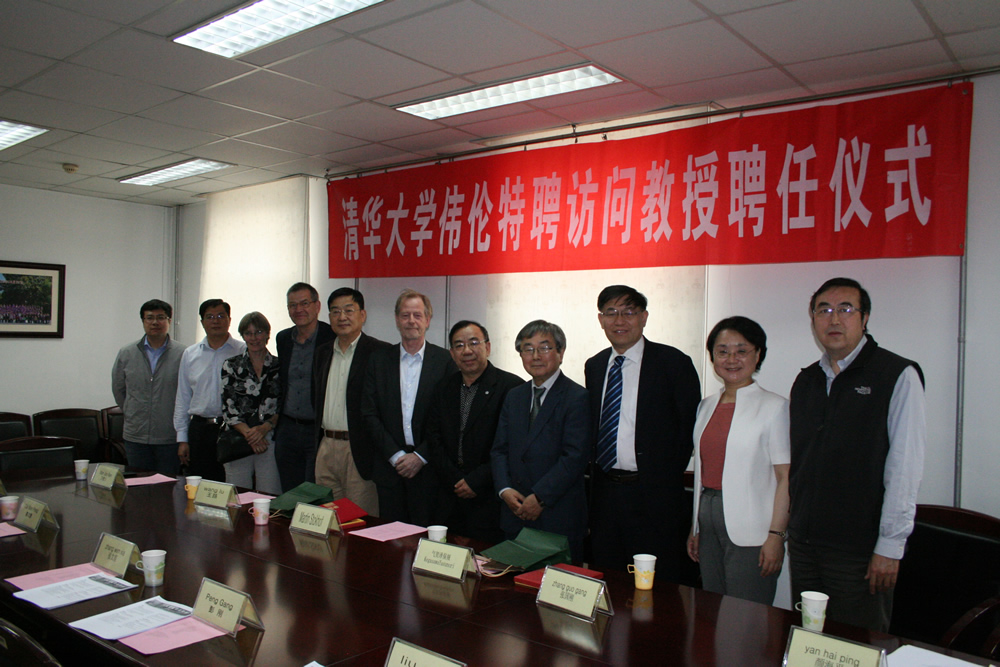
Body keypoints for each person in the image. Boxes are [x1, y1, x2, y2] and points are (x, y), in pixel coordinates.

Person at [789, 277, 926, 632]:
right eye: (824, 310)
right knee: (809, 640)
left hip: (860, 550)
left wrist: (890, 546)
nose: (834, 319)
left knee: (856, 644)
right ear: (813, 319)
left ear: (865, 318)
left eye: (846, 309)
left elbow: (905, 467)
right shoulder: (806, 381)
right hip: (805, 545)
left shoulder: (896, 375)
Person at [584, 285, 701, 579]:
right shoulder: (595, 366)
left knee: (657, 583)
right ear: (600, 319)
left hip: (654, 497)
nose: (619, 320)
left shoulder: (674, 363)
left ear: (644, 317)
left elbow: (687, 430)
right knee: (609, 576)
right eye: (611, 312)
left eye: (629, 312)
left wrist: (662, 478)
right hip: (606, 495)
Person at [686, 316, 790, 605]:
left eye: (741, 351)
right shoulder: (706, 406)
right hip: (708, 519)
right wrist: (695, 527)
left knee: (747, 614)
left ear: (758, 355)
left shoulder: (775, 407)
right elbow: (703, 471)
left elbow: (785, 478)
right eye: (722, 351)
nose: (731, 359)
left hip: (754, 528)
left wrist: (776, 536)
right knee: (711, 608)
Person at [492, 320, 591, 561]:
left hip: (557, 515)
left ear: (561, 352)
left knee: (555, 583)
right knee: (512, 582)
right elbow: (499, 450)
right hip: (515, 512)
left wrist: (540, 497)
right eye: (528, 349)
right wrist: (505, 490)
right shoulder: (514, 396)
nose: (535, 356)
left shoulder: (577, 397)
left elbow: (574, 458)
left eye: (544, 348)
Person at [361, 289, 456, 524]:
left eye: (417, 315)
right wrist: (395, 456)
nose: (411, 321)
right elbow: (369, 413)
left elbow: (450, 419)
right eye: (405, 315)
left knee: (427, 537)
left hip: (430, 470)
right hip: (389, 469)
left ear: (428, 320)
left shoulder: (445, 361)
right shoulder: (378, 360)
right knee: (390, 537)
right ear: (396, 320)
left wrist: (421, 456)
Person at [425, 320, 522, 543]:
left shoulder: (512, 388)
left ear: (487, 347)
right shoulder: (443, 388)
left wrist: (476, 480)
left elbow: (512, 445)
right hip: (449, 494)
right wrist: (455, 479)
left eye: (474, 343)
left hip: (490, 497)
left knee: (487, 559)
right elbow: (434, 437)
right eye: (459, 345)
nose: (467, 350)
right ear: (452, 353)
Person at [312, 287, 390, 516]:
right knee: (327, 517)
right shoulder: (322, 352)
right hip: (326, 445)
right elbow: (315, 397)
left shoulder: (380, 352)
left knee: (359, 518)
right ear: (329, 317)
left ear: (362, 315)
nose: (342, 317)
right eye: (335, 312)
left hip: (359, 448)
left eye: (349, 310)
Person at [111, 299, 186, 476]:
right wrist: (132, 411)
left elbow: (187, 393)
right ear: (143, 321)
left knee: (167, 485)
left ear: (169, 321)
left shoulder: (184, 353)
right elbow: (119, 389)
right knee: (138, 485)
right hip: (136, 436)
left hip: (169, 436)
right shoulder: (127, 352)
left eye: (161, 317)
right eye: (149, 318)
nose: (155, 322)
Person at [174, 298, 245, 481]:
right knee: (200, 485)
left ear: (229, 319)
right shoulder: (190, 354)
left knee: (232, 484)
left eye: (221, 316)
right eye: (210, 317)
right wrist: (182, 439)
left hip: (233, 430)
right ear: (202, 322)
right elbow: (183, 397)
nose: (215, 321)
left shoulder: (243, 351)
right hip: (200, 430)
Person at [275, 282, 335, 492]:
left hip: (316, 429)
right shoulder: (283, 338)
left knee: (312, 492)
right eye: (293, 305)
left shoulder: (331, 336)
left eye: (304, 303)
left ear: (317, 306)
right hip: (287, 428)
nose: (298, 309)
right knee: (288, 492)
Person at [220, 312, 281, 495]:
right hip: (238, 438)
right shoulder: (231, 365)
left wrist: (264, 429)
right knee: (237, 496)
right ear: (243, 336)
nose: (254, 338)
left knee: (269, 495)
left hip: (269, 438)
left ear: (268, 334)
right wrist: (251, 435)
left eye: (259, 332)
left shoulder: (280, 366)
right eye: (248, 333)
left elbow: (284, 405)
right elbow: (228, 407)